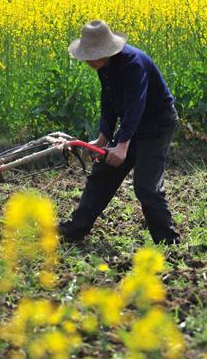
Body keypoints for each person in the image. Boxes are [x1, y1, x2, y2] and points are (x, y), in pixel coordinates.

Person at [59, 20, 180, 245]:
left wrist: (122, 144)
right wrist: (104, 137)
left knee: (146, 186)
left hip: (156, 125)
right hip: (132, 124)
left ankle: (168, 241)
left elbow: (136, 104)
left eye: (92, 54)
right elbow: (109, 100)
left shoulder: (133, 64)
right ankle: (75, 229)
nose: (88, 60)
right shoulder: (103, 66)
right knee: (102, 174)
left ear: (107, 50)